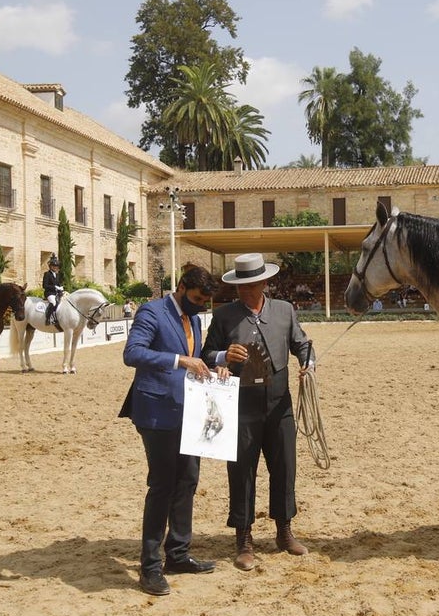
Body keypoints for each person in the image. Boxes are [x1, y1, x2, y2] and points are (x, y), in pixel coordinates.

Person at [201, 252, 315, 572]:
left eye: (251, 286)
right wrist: (223, 356)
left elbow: (302, 344)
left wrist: (308, 361)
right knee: (241, 471)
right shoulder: (223, 317)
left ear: (264, 283)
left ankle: (284, 531)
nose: (245, 292)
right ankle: (244, 538)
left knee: (284, 467)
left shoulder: (285, 311)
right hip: (240, 405)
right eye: (240, 287)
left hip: (280, 404)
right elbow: (206, 354)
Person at [120, 266, 221, 596]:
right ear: (181, 287)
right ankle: (150, 566)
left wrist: (216, 360)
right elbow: (133, 353)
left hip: (188, 410)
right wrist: (179, 361)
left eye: (206, 301)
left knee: (188, 480)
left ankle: (178, 554)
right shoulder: (153, 311)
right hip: (156, 412)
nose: (201, 306)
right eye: (196, 299)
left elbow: (197, 355)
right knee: (162, 486)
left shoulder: (192, 317)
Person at [42, 256, 63, 326]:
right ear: (50, 266)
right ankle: (48, 319)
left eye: (56, 266)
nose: (55, 267)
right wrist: (54, 287)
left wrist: (61, 288)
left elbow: (59, 284)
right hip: (49, 293)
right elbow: (44, 286)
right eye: (53, 266)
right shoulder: (47, 274)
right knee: (54, 303)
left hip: (57, 293)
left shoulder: (57, 275)